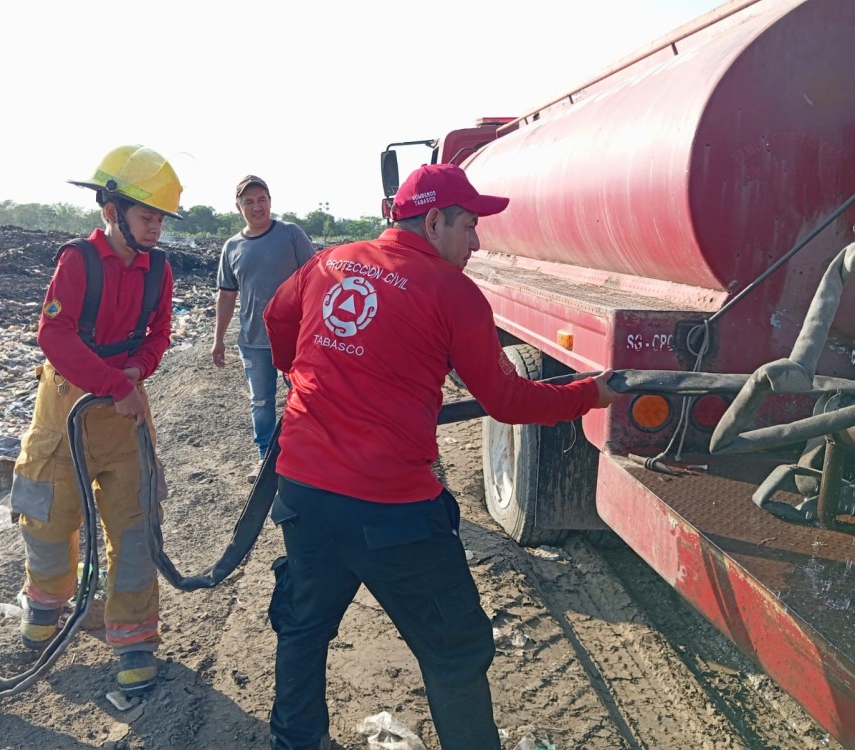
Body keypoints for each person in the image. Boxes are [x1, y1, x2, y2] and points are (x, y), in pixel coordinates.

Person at [262, 163, 618, 750]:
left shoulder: (329, 260)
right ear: (433, 220)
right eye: (469, 226)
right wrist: (589, 393)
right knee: (454, 650)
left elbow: (278, 317)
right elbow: (505, 399)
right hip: (393, 513)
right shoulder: (454, 292)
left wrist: (304, 376)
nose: (476, 242)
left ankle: (293, 742)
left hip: (304, 492)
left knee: (304, 627)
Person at [9, 144, 182, 697]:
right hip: (66, 411)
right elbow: (53, 336)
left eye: (159, 219)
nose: (155, 229)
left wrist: (138, 369)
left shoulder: (159, 270)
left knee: (134, 525)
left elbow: (159, 335)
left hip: (124, 416)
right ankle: (44, 607)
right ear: (112, 211)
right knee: (48, 515)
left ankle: (131, 639)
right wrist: (114, 384)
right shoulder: (78, 262)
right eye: (146, 217)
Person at [212, 175, 316, 476]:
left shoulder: (290, 234)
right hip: (254, 341)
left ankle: (306, 459)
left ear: (270, 201)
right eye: (249, 202)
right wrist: (218, 339)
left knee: (305, 397)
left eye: (262, 199)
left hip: (296, 339)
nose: (257, 207)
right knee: (261, 402)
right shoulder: (232, 247)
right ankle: (266, 459)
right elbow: (227, 295)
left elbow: (315, 278)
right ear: (238, 207)